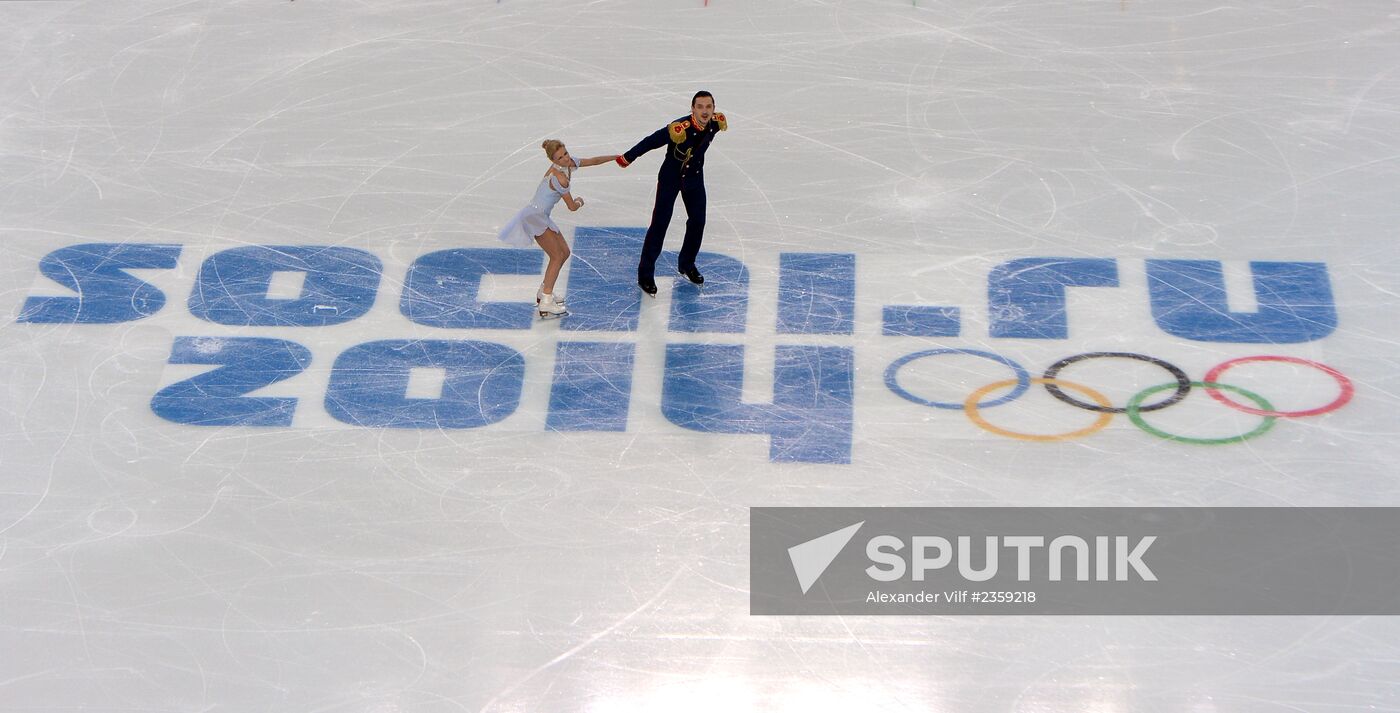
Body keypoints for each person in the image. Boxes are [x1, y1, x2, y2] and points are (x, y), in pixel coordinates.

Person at [615, 91, 728, 296]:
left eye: (708, 106)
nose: (704, 111)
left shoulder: (715, 124)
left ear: (713, 108)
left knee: (698, 221)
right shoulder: (679, 128)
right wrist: (628, 157)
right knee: (660, 224)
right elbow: (651, 141)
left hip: (694, 177)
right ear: (692, 108)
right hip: (671, 177)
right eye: (700, 106)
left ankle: (687, 263)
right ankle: (645, 274)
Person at [498, 140, 615, 318]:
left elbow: (592, 160)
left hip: (540, 215)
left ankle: (544, 291)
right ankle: (545, 302)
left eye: (566, 154)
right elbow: (572, 207)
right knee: (557, 256)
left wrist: (615, 157)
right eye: (560, 158)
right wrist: (580, 201)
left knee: (565, 252)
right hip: (535, 217)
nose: (566, 159)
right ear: (554, 160)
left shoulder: (567, 165)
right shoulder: (559, 178)